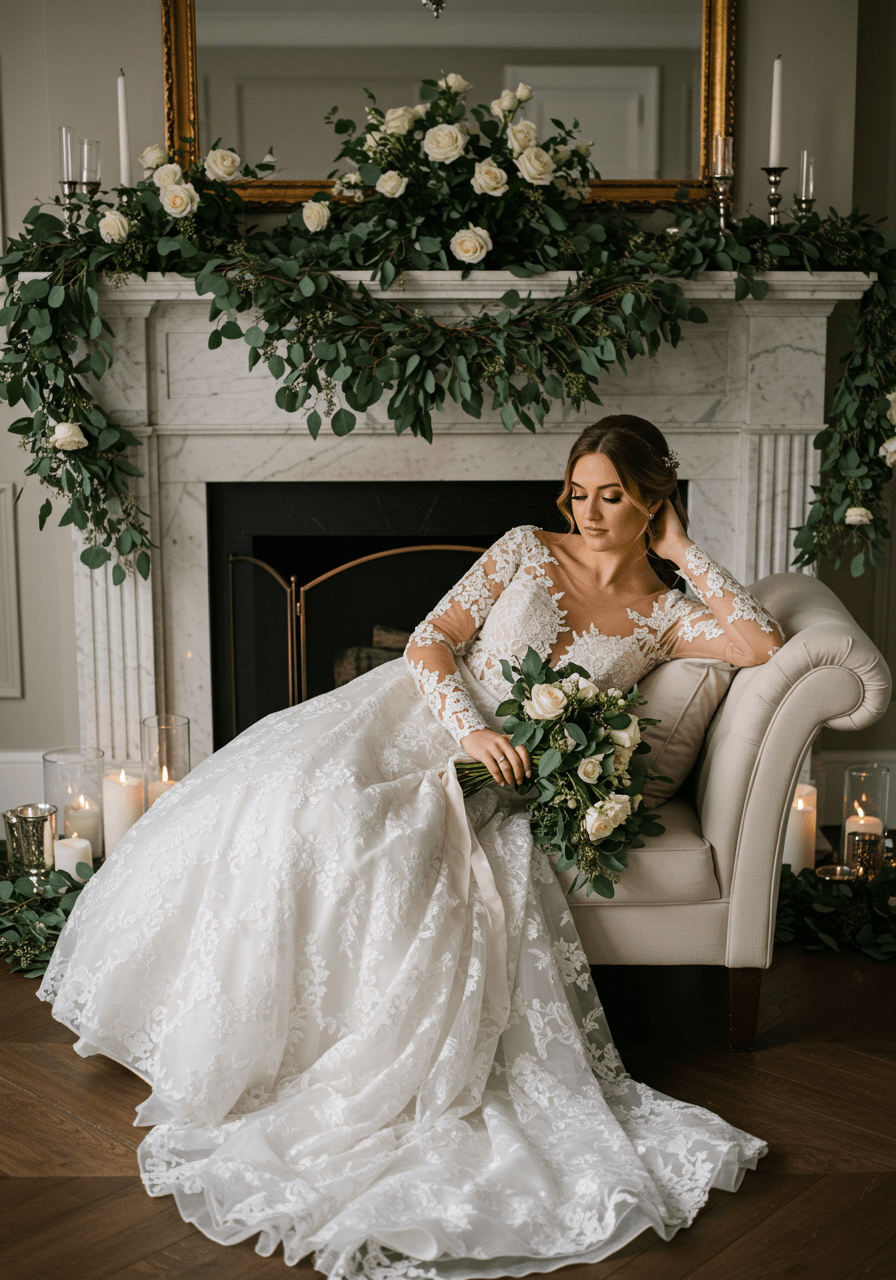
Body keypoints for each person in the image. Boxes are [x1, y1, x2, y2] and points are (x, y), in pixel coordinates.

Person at [38, 415, 783, 1277]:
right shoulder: (525, 549)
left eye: (612, 496)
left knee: (386, 842)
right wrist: (468, 733)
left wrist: (683, 547)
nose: (588, 512)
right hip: (416, 717)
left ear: (653, 496)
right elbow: (431, 641)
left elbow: (758, 644)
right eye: (578, 493)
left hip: (503, 775)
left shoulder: (661, 614)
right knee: (298, 800)